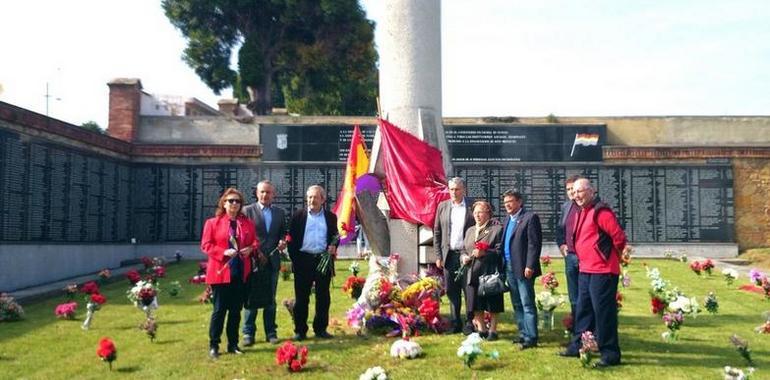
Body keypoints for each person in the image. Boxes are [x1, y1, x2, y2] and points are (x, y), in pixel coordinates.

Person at [560, 178, 631, 367]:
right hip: (586, 269)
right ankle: (579, 346)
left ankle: (610, 353)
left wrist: (610, 257)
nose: (577, 196)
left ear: (591, 191)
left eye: (580, 192)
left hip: (603, 271)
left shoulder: (601, 211)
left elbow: (619, 237)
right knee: (583, 311)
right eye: (574, 193)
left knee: (603, 313)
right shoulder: (581, 211)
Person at [201, 188, 258, 359]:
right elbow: (206, 245)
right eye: (231, 200)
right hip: (221, 273)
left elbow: (255, 241)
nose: (234, 204)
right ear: (224, 203)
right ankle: (214, 345)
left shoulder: (246, 222)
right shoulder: (213, 223)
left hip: (240, 273)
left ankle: (233, 344)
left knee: (235, 311)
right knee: (219, 311)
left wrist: (251, 249)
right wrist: (223, 252)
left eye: (237, 201)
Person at [287, 185, 339, 341]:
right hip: (303, 260)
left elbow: (335, 236)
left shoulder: (331, 217)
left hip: (322, 261)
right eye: (309, 197)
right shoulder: (298, 216)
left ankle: (320, 329)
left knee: (323, 297)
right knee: (301, 298)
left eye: (315, 197)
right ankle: (300, 330)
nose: (311, 200)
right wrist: (296, 259)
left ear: (322, 199)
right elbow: (291, 240)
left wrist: (333, 246)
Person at [241, 180, 287, 346]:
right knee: (251, 297)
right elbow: (244, 236)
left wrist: (283, 241)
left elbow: (283, 232)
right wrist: (256, 252)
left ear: (273, 194)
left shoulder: (279, 213)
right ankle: (248, 333)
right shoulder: (247, 211)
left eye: (268, 192)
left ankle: (271, 332)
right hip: (254, 261)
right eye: (262, 192)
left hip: (272, 261)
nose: (265, 195)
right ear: (257, 193)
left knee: (270, 298)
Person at [501, 189, 543, 349]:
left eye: (510, 202)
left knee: (527, 303)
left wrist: (530, 265)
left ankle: (531, 337)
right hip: (509, 266)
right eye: (505, 203)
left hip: (523, 267)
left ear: (519, 202)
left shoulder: (530, 218)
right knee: (516, 303)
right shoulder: (507, 219)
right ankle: (523, 334)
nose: (507, 205)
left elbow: (534, 244)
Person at [433, 177, 475, 334]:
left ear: (463, 189)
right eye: (451, 189)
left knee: (468, 289)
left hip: (467, 255)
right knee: (451, 290)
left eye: (457, 189)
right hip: (449, 255)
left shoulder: (472, 206)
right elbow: (437, 232)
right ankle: (455, 322)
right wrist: (439, 255)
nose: (454, 192)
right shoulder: (442, 207)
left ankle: (470, 322)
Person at [461, 200, 504, 341]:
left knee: (493, 301)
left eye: (480, 212)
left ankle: (493, 330)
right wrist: (463, 257)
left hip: (489, 271)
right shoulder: (470, 231)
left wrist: (485, 253)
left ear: (488, 213)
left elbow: (499, 251)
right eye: (475, 212)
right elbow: (464, 249)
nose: (477, 215)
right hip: (471, 272)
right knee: (475, 301)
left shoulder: (496, 229)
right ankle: (481, 329)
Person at [555, 175, 581, 330]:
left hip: (584, 257)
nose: (571, 192)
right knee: (573, 294)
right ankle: (576, 323)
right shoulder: (566, 207)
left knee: (585, 293)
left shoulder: (586, 206)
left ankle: (587, 326)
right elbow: (560, 229)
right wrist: (561, 244)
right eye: (568, 189)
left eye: (573, 189)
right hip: (570, 256)